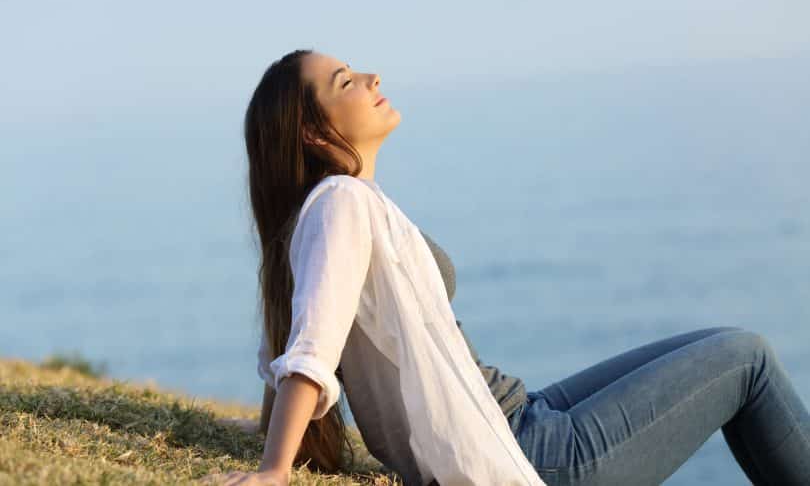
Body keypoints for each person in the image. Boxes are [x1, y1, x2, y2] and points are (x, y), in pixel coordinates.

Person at [202, 49, 810, 486]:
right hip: (532, 455)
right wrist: (274, 471)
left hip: (519, 412)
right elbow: (310, 345)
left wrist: (267, 431)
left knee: (716, 345)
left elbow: (299, 327)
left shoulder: (344, 207)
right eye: (345, 81)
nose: (371, 76)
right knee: (745, 357)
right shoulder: (339, 204)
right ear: (313, 130)